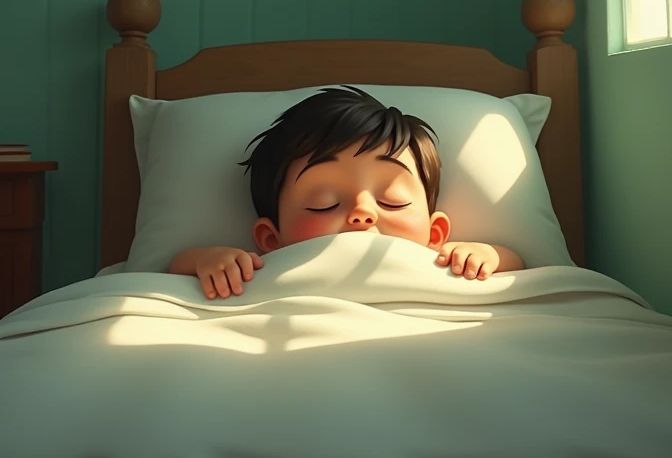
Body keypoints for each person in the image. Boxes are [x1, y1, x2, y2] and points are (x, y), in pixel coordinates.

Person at [169, 86, 525, 299]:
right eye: (323, 202)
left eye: (392, 199)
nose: (362, 211)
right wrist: (211, 260)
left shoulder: (441, 262)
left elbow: (517, 265)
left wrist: (486, 255)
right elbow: (175, 267)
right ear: (271, 238)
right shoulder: (261, 268)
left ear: (435, 234)